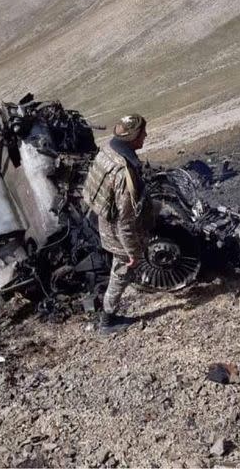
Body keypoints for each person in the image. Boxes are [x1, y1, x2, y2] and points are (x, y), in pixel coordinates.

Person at [83, 113, 154, 335]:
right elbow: (125, 223)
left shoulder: (109, 150)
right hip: (116, 229)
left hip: (104, 218)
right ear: (132, 137)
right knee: (121, 271)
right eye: (142, 133)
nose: (146, 135)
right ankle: (108, 320)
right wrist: (133, 254)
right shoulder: (125, 175)